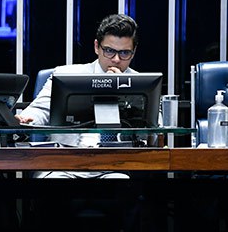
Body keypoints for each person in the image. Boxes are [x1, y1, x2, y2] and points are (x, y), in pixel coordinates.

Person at [16, 13, 140, 178]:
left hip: (114, 164)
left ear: (134, 51)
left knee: (120, 181)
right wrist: (25, 118)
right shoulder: (66, 74)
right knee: (54, 181)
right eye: (109, 51)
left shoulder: (139, 82)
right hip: (63, 162)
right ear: (97, 47)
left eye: (125, 53)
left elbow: (155, 127)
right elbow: (40, 109)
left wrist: (127, 92)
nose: (116, 59)